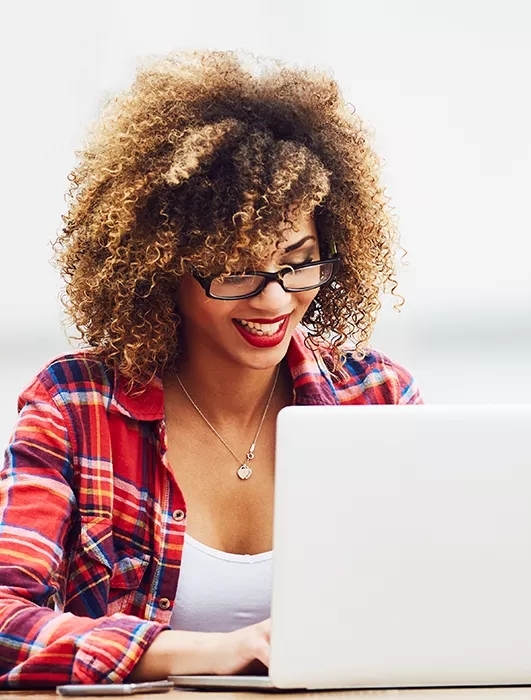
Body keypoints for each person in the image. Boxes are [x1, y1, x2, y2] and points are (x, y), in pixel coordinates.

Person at [0, 50, 421, 687]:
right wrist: (200, 653)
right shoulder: (76, 407)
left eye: (299, 260)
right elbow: (4, 620)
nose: (275, 300)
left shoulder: (378, 398)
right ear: (163, 267)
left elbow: (433, 602)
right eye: (236, 269)